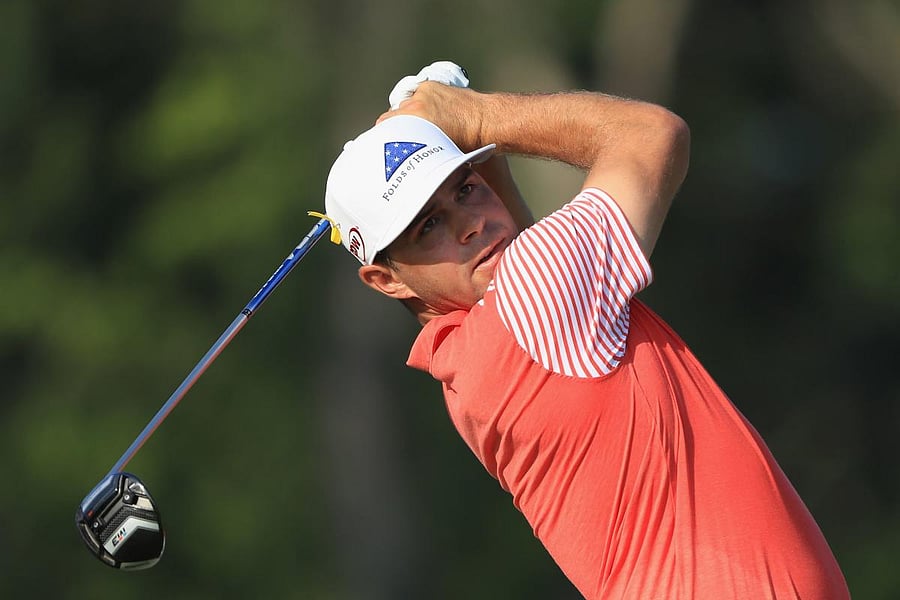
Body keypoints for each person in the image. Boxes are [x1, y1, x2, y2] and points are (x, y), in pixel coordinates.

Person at [321, 63, 850, 599]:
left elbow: (527, 270)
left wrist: (484, 148)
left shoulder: (469, 363)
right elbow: (653, 135)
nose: (469, 224)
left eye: (467, 189)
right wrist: (473, 116)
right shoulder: (535, 296)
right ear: (386, 280)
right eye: (428, 226)